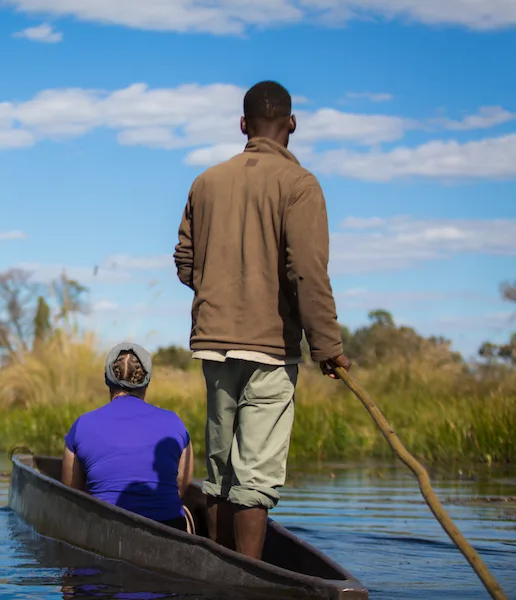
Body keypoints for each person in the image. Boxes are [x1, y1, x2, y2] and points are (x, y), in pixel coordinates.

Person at [173, 80, 352, 560]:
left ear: (243, 124)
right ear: (291, 125)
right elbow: (307, 273)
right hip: (270, 351)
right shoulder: (300, 185)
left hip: (213, 345)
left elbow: (184, 261)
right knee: (254, 478)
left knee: (220, 469)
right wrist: (327, 347)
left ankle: (212, 564)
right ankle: (247, 576)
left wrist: (219, 294)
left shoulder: (206, 182)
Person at [61, 342, 194, 532]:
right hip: (167, 529)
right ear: (146, 380)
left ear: (107, 378)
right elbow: (180, 488)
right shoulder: (175, 422)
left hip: (104, 531)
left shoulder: (82, 425)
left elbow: (71, 497)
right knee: (186, 513)